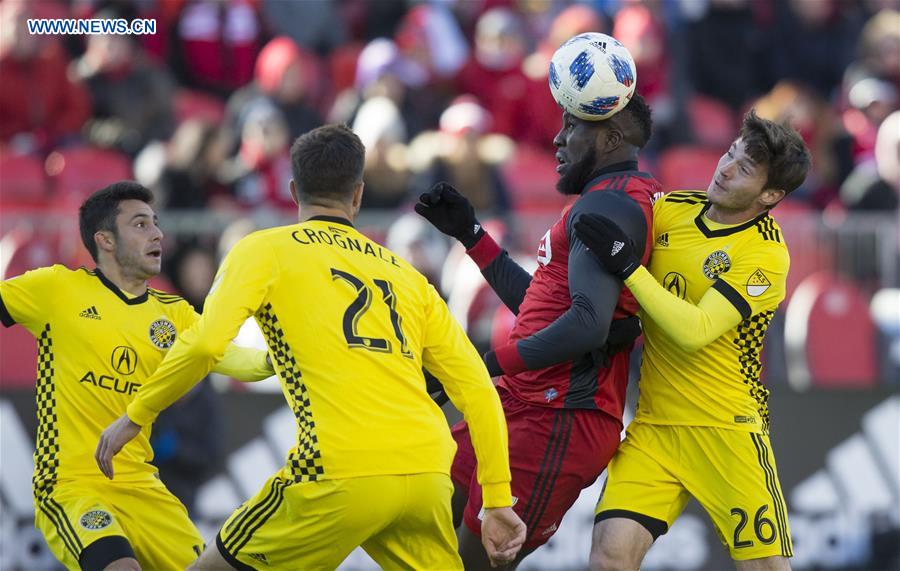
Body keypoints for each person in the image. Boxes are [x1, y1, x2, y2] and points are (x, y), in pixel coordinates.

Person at [95, 124, 526, 570]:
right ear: (358, 195)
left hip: (336, 472)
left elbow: (204, 343)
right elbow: (478, 391)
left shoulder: (263, 250)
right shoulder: (409, 278)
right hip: (426, 474)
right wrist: (495, 498)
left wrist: (136, 416)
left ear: (294, 190)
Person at [415, 93, 658, 569]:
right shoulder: (606, 199)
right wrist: (473, 236)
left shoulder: (611, 205)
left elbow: (587, 326)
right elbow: (546, 309)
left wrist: (480, 367)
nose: (557, 138)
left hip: (559, 417)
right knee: (427, 527)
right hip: (523, 403)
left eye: (572, 127)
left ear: (610, 138)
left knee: (470, 563)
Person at [574, 110, 811, 570]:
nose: (723, 169)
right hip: (655, 430)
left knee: (765, 567)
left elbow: (694, 331)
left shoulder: (765, 254)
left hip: (726, 430)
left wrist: (630, 269)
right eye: (729, 153)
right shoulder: (674, 209)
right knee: (608, 555)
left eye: (743, 169)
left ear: (770, 195)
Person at [0, 182, 275, 570]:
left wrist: (280, 358)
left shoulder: (174, 313)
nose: (158, 234)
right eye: (141, 224)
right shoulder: (57, 289)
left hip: (144, 488)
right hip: (73, 485)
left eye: (157, 224)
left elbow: (233, 360)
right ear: (106, 240)